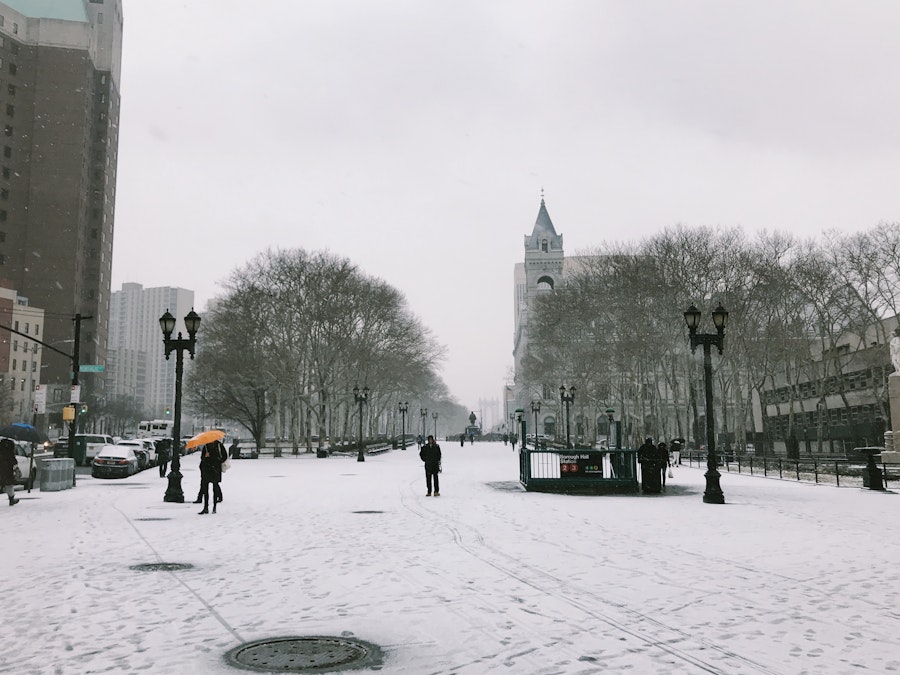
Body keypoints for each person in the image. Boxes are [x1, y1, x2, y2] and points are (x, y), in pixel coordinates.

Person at [197, 440, 227, 514]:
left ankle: (214, 506)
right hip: (206, 469)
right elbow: (202, 457)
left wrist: (217, 460)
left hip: (215, 469)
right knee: (205, 489)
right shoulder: (206, 446)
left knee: (215, 488)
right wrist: (205, 456)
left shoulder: (219, 445)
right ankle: (206, 507)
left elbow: (224, 456)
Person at [0, 438, 19, 506]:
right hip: (8, 469)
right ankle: (11, 499)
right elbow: (12, 460)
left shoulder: (1, 447)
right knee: (9, 484)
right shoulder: (10, 449)